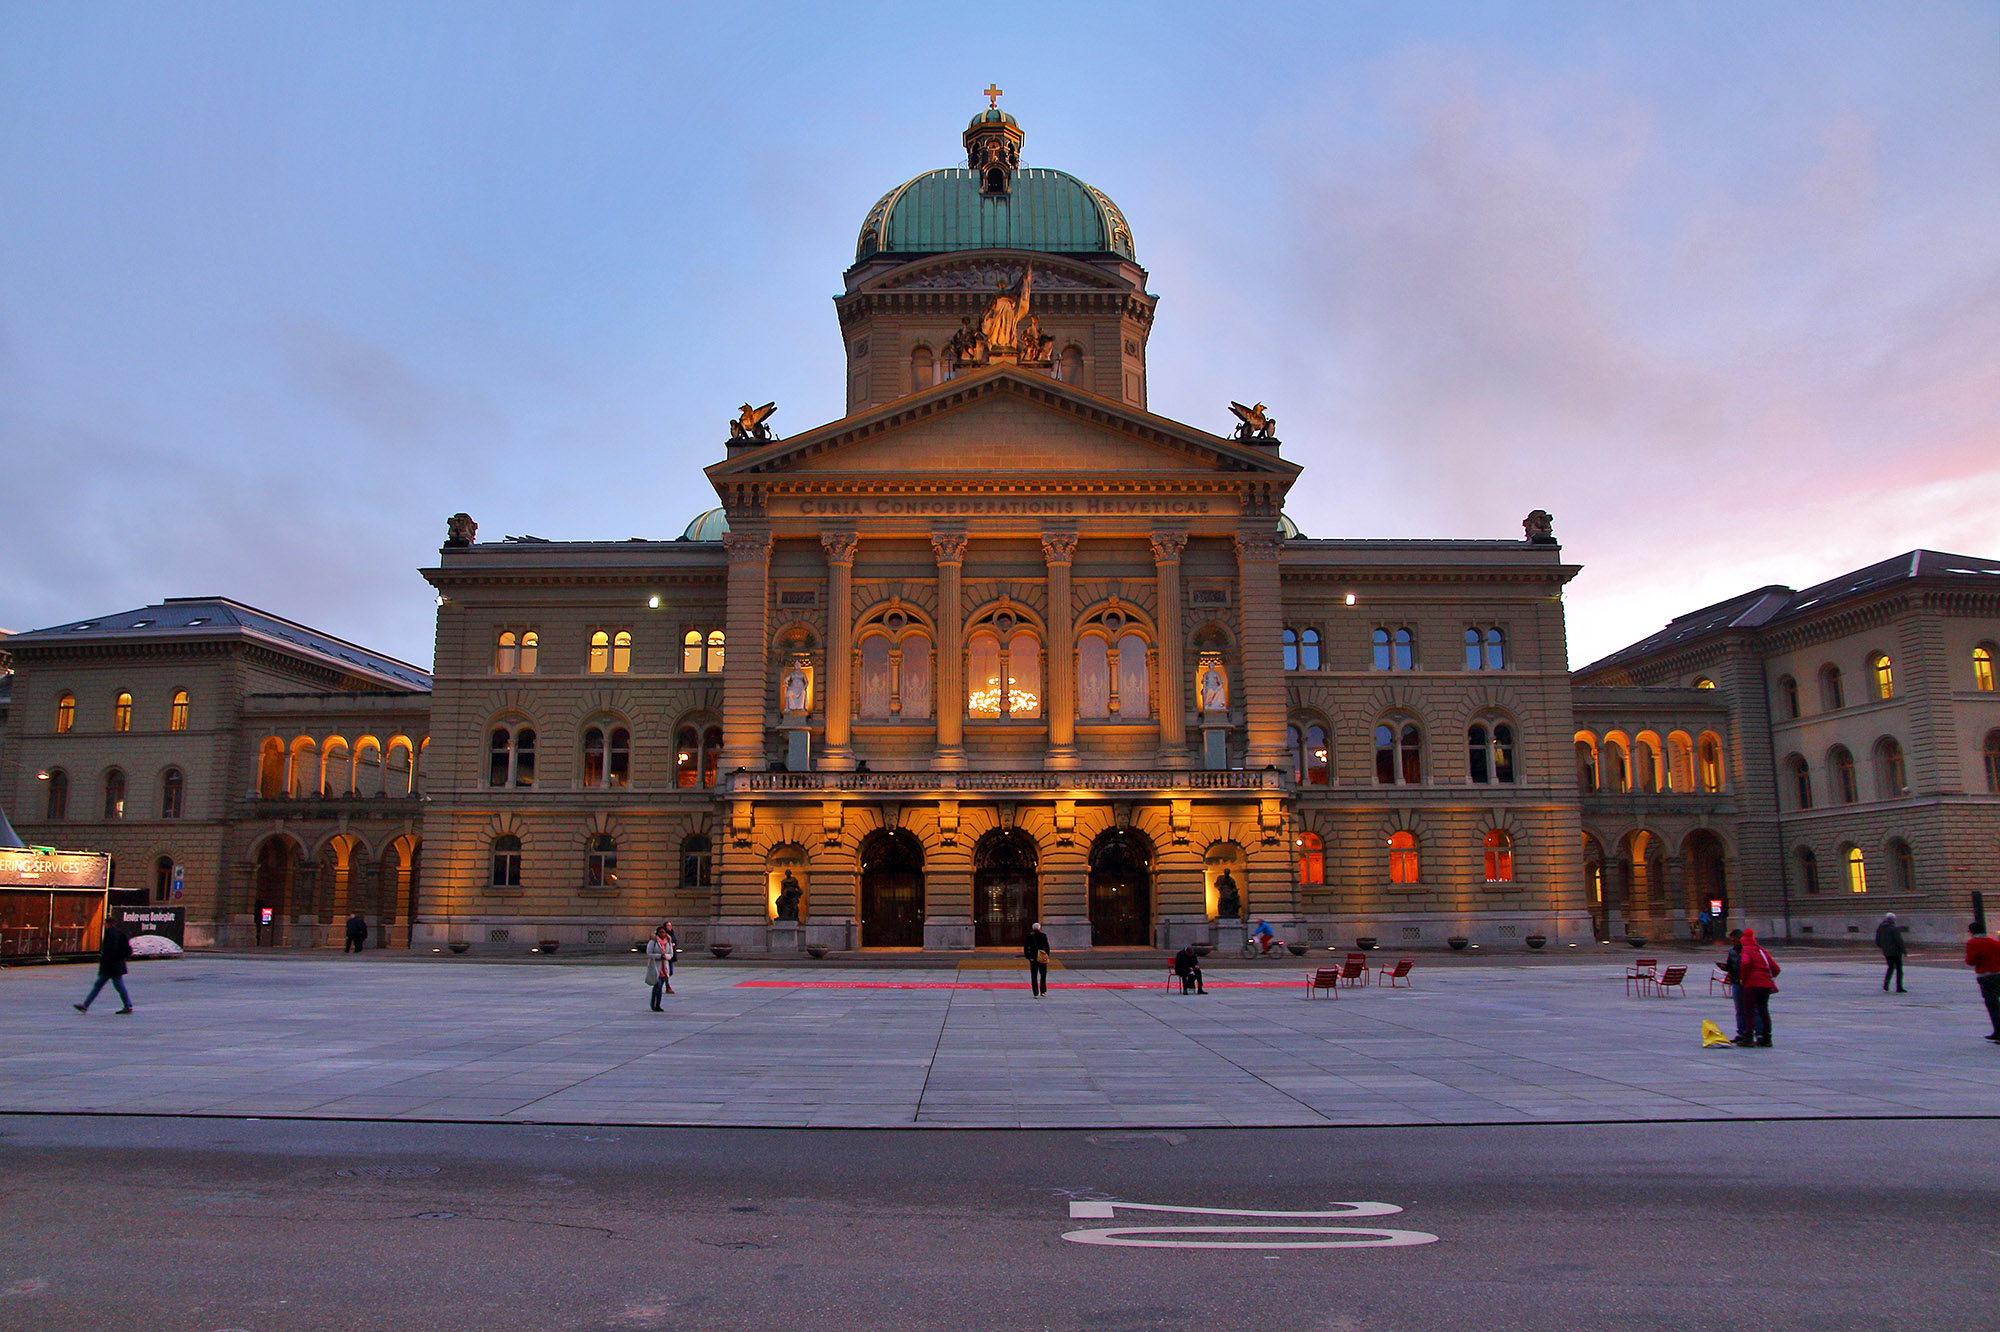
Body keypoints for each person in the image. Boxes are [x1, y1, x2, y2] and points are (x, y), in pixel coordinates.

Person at [74, 925, 134, 1015]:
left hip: (110, 967)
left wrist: (103, 966)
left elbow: (108, 952)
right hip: (116, 966)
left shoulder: (109, 935)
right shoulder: (120, 934)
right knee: (115, 986)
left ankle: (128, 1005)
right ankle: (85, 1005)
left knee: (104, 986)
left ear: (107, 924)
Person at [1736, 928, 1780, 1047]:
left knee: (1749, 1010)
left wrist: (1743, 978)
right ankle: (1767, 1037)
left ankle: (1748, 1037)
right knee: (1763, 1010)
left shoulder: (1746, 950)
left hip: (1751, 984)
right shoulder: (1762, 951)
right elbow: (1776, 968)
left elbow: (1745, 963)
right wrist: (1767, 976)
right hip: (1765, 985)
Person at [1964, 923, 2000, 1042]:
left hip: (1985, 975)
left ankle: (1998, 1031)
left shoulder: (1973, 943)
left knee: (1992, 1004)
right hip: (1998, 974)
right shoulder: (1993, 942)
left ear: (1972, 932)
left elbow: (1970, 961)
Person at [1721, 929, 1751, 1043]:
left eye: (1736, 941)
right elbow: (1730, 965)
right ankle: (1741, 1032)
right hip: (1736, 982)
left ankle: (1754, 1033)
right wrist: (1725, 967)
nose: (1734, 943)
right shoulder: (1732, 951)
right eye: (1732, 941)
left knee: (1751, 1009)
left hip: (1747, 983)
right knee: (1739, 1009)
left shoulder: (1748, 950)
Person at [645, 924, 676, 1011]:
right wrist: (659, 956)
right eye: (660, 932)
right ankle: (653, 1004)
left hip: (664, 967)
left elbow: (671, 954)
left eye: (663, 932)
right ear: (657, 933)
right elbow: (649, 953)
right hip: (656, 966)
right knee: (657, 986)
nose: (662, 934)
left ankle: (658, 1004)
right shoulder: (653, 942)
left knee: (660, 987)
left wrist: (665, 956)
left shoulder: (668, 941)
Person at [1875, 913, 1907, 993]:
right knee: (1899, 969)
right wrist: (1903, 950)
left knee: (1890, 967)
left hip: (1886, 951)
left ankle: (1886, 983)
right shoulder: (1894, 928)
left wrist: (1883, 947)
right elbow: (1899, 940)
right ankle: (1899, 987)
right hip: (1896, 951)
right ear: (1893, 919)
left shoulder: (1881, 928)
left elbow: (1877, 940)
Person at [1023, 920, 1051, 998]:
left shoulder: (1029, 936)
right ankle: (1043, 991)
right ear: (1040, 928)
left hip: (1033, 957)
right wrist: (1046, 956)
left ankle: (1035, 993)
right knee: (1043, 975)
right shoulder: (1043, 935)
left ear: (1032, 928)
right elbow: (1047, 946)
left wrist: (1028, 956)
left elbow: (1026, 947)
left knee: (1034, 975)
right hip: (1042, 957)